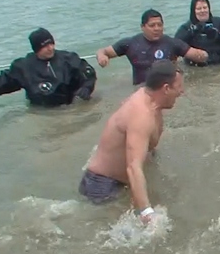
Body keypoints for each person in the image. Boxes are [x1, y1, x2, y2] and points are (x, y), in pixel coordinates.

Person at [78, 60, 184, 223]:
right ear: (166, 88)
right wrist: (147, 212)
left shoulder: (149, 99)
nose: (181, 92)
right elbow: (133, 167)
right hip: (102, 186)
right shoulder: (141, 115)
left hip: (120, 180)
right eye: (179, 87)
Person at [0, 28, 97, 107]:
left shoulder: (68, 58)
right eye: (45, 46)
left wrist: (86, 88)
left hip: (72, 106)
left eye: (51, 44)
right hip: (42, 113)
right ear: (36, 48)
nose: (50, 48)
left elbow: (89, 74)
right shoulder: (23, 67)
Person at [95, 9, 208, 85]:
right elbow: (103, 51)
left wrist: (203, 54)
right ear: (142, 27)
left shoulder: (172, 43)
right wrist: (102, 57)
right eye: (152, 25)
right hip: (141, 90)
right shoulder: (130, 43)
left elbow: (200, 55)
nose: (156, 28)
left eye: (159, 25)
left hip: (167, 90)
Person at [173, 0, 220, 67]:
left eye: (205, 8)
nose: (202, 11)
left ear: (209, 9)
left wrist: (218, 35)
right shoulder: (186, 27)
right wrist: (191, 32)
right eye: (199, 8)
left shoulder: (219, 22)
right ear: (193, 11)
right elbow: (175, 46)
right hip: (196, 68)